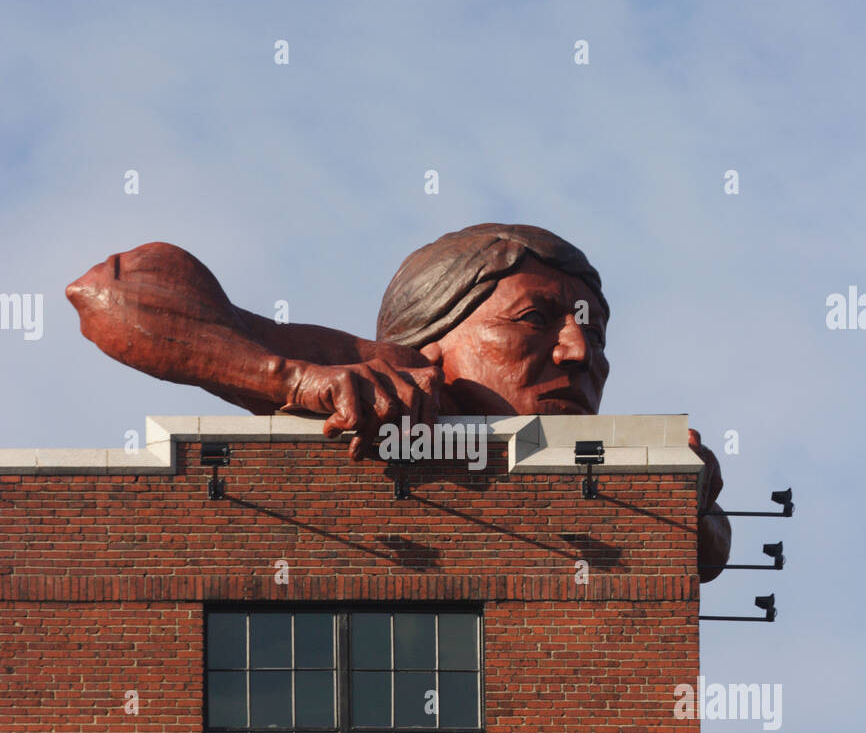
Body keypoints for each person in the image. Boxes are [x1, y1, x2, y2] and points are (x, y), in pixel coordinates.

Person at [66, 221, 731, 579]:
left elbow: (707, 554)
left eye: (593, 331)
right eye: (536, 319)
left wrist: (687, 499)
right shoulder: (396, 372)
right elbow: (112, 291)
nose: (578, 353)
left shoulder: (592, 462)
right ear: (432, 341)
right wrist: (298, 382)